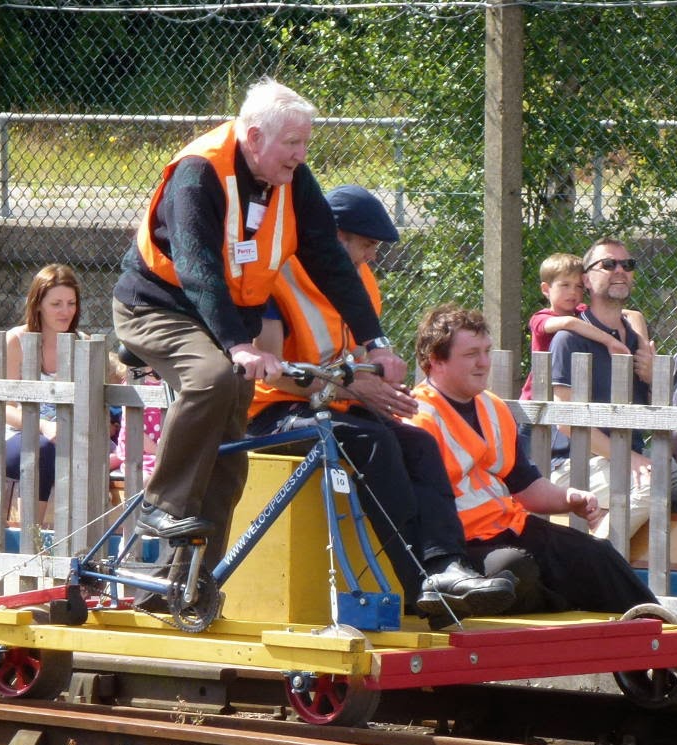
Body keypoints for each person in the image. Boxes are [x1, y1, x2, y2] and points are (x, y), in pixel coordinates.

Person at [112, 78, 406, 577]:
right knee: (214, 378)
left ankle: (188, 580)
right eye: (293, 143)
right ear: (254, 137)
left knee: (229, 455)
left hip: (225, 320)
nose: (301, 154)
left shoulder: (293, 182)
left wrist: (376, 341)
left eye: (306, 142)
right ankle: (161, 505)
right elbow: (197, 265)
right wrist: (237, 345)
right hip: (159, 309)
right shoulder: (198, 172)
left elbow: (332, 263)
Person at [408, 303, 677, 698]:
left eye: (487, 352)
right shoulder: (419, 418)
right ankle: (647, 656)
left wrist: (568, 499)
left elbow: (525, 485)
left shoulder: (492, 408)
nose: (483, 363)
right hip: (460, 550)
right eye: (472, 355)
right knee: (515, 570)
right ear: (434, 361)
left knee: (597, 555)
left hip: (509, 527)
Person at [247, 184, 515, 619]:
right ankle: (416, 585)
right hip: (272, 413)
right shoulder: (277, 279)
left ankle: (445, 565)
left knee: (420, 444)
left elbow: (355, 358)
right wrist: (352, 388)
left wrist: (380, 383)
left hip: (331, 405)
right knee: (374, 444)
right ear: (334, 237)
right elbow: (272, 369)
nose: (372, 256)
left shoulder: (362, 282)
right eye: (367, 245)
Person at [548, 237, 677, 540]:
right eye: (608, 264)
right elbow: (567, 422)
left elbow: (659, 411)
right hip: (575, 462)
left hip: (629, 458)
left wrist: (653, 377)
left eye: (628, 265)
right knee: (656, 483)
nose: (620, 270)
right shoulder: (569, 338)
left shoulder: (635, 337)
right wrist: (630, 458)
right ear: (585, 279)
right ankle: (597, 561)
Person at [4, 263, 85, 524]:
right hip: (16, 435)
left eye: (71, 303)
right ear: (38, 304)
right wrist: (43, 426)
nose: (65, 311)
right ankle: (32, 536)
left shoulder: (81, 342)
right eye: (56, 304)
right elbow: (4, 407)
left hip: (66, 436)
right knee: (41, 449)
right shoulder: (16, 340)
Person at [518, 252, 647, 400]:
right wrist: (610, 341)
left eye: (578, 286)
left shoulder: (580, 311)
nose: (572, 292)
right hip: (535, 400)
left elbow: (633, 315)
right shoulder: (541, 318)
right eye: (565, 285)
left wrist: (644, 347)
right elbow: (569, 323)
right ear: (546, 289)